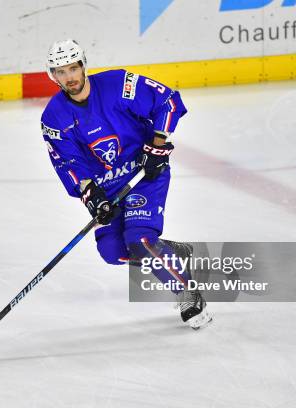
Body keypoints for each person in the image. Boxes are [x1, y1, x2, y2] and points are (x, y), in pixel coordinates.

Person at [40, 39, 211, 329]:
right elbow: (68, 163)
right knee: (112, 252)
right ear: (52, 76)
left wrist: (157, 147)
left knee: (140, 240)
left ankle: (187, 292)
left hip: (144, 172)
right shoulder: (54, 117)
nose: (69, 77)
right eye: (60, 71)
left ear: (83, 65)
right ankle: (168, 252)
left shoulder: (118, 84)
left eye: (73, 68)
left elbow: (167, 101)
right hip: (108, 187)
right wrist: (92, 196)